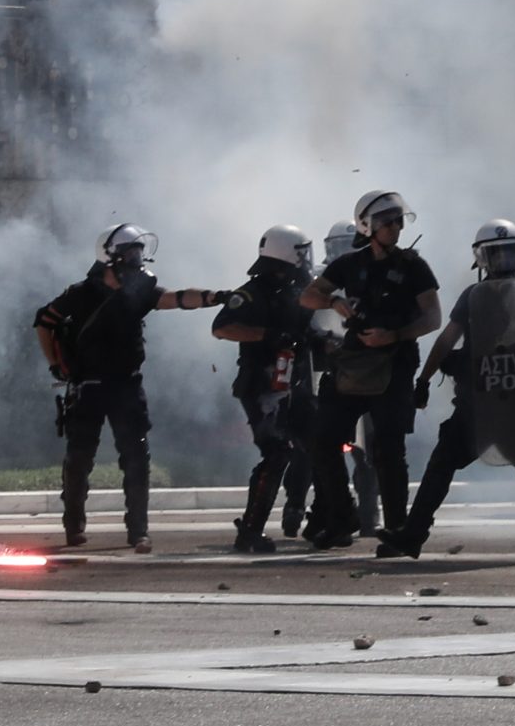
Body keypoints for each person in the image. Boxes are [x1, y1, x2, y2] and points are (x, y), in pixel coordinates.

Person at [33, 224, 227, 553]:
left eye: (139, 253)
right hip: (88, 387)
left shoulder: (139, 292)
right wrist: (56, 365)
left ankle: (138, 531)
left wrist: (216, 297)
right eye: (131, 254)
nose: (137, 261)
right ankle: (73, 525)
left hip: (126, 385)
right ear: (110, 259)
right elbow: (44, 322)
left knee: (137, 457)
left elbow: (177, 298)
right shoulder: (80, 294)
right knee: (79, 458)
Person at [380, 221, 515, 563]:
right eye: (497, 254)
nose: (503, 260)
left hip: (496, 405)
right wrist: (426, 378)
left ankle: (413, 534)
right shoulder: (509, 296)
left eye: (508, 252)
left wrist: (433, 375)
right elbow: (448, 340)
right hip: (491, 404)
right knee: (458, 464)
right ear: (483, 258)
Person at [301, 190, 440, 548]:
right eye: (386, 221)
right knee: (324, 440)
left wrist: (394, 335)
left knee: (388, 449)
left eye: (398, 220)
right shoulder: (349, 264)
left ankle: (396, 530)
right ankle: (341, 518)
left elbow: (433, 317)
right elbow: (308, 296)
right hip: (353, 364)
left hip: (395, 364)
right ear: (367, 226)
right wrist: (334, 300)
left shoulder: (414, 266)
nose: (395, 227)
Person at [213, 224, 319, 553]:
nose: (305, 259)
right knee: (277, 453)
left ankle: (326, 519)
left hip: (294, 383)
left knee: (318, 444)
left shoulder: (300, 289)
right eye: (300, 252)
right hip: (261, 385)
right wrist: (267, 335)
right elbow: (222, 327)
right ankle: (250, 531)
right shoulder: (252, 293)